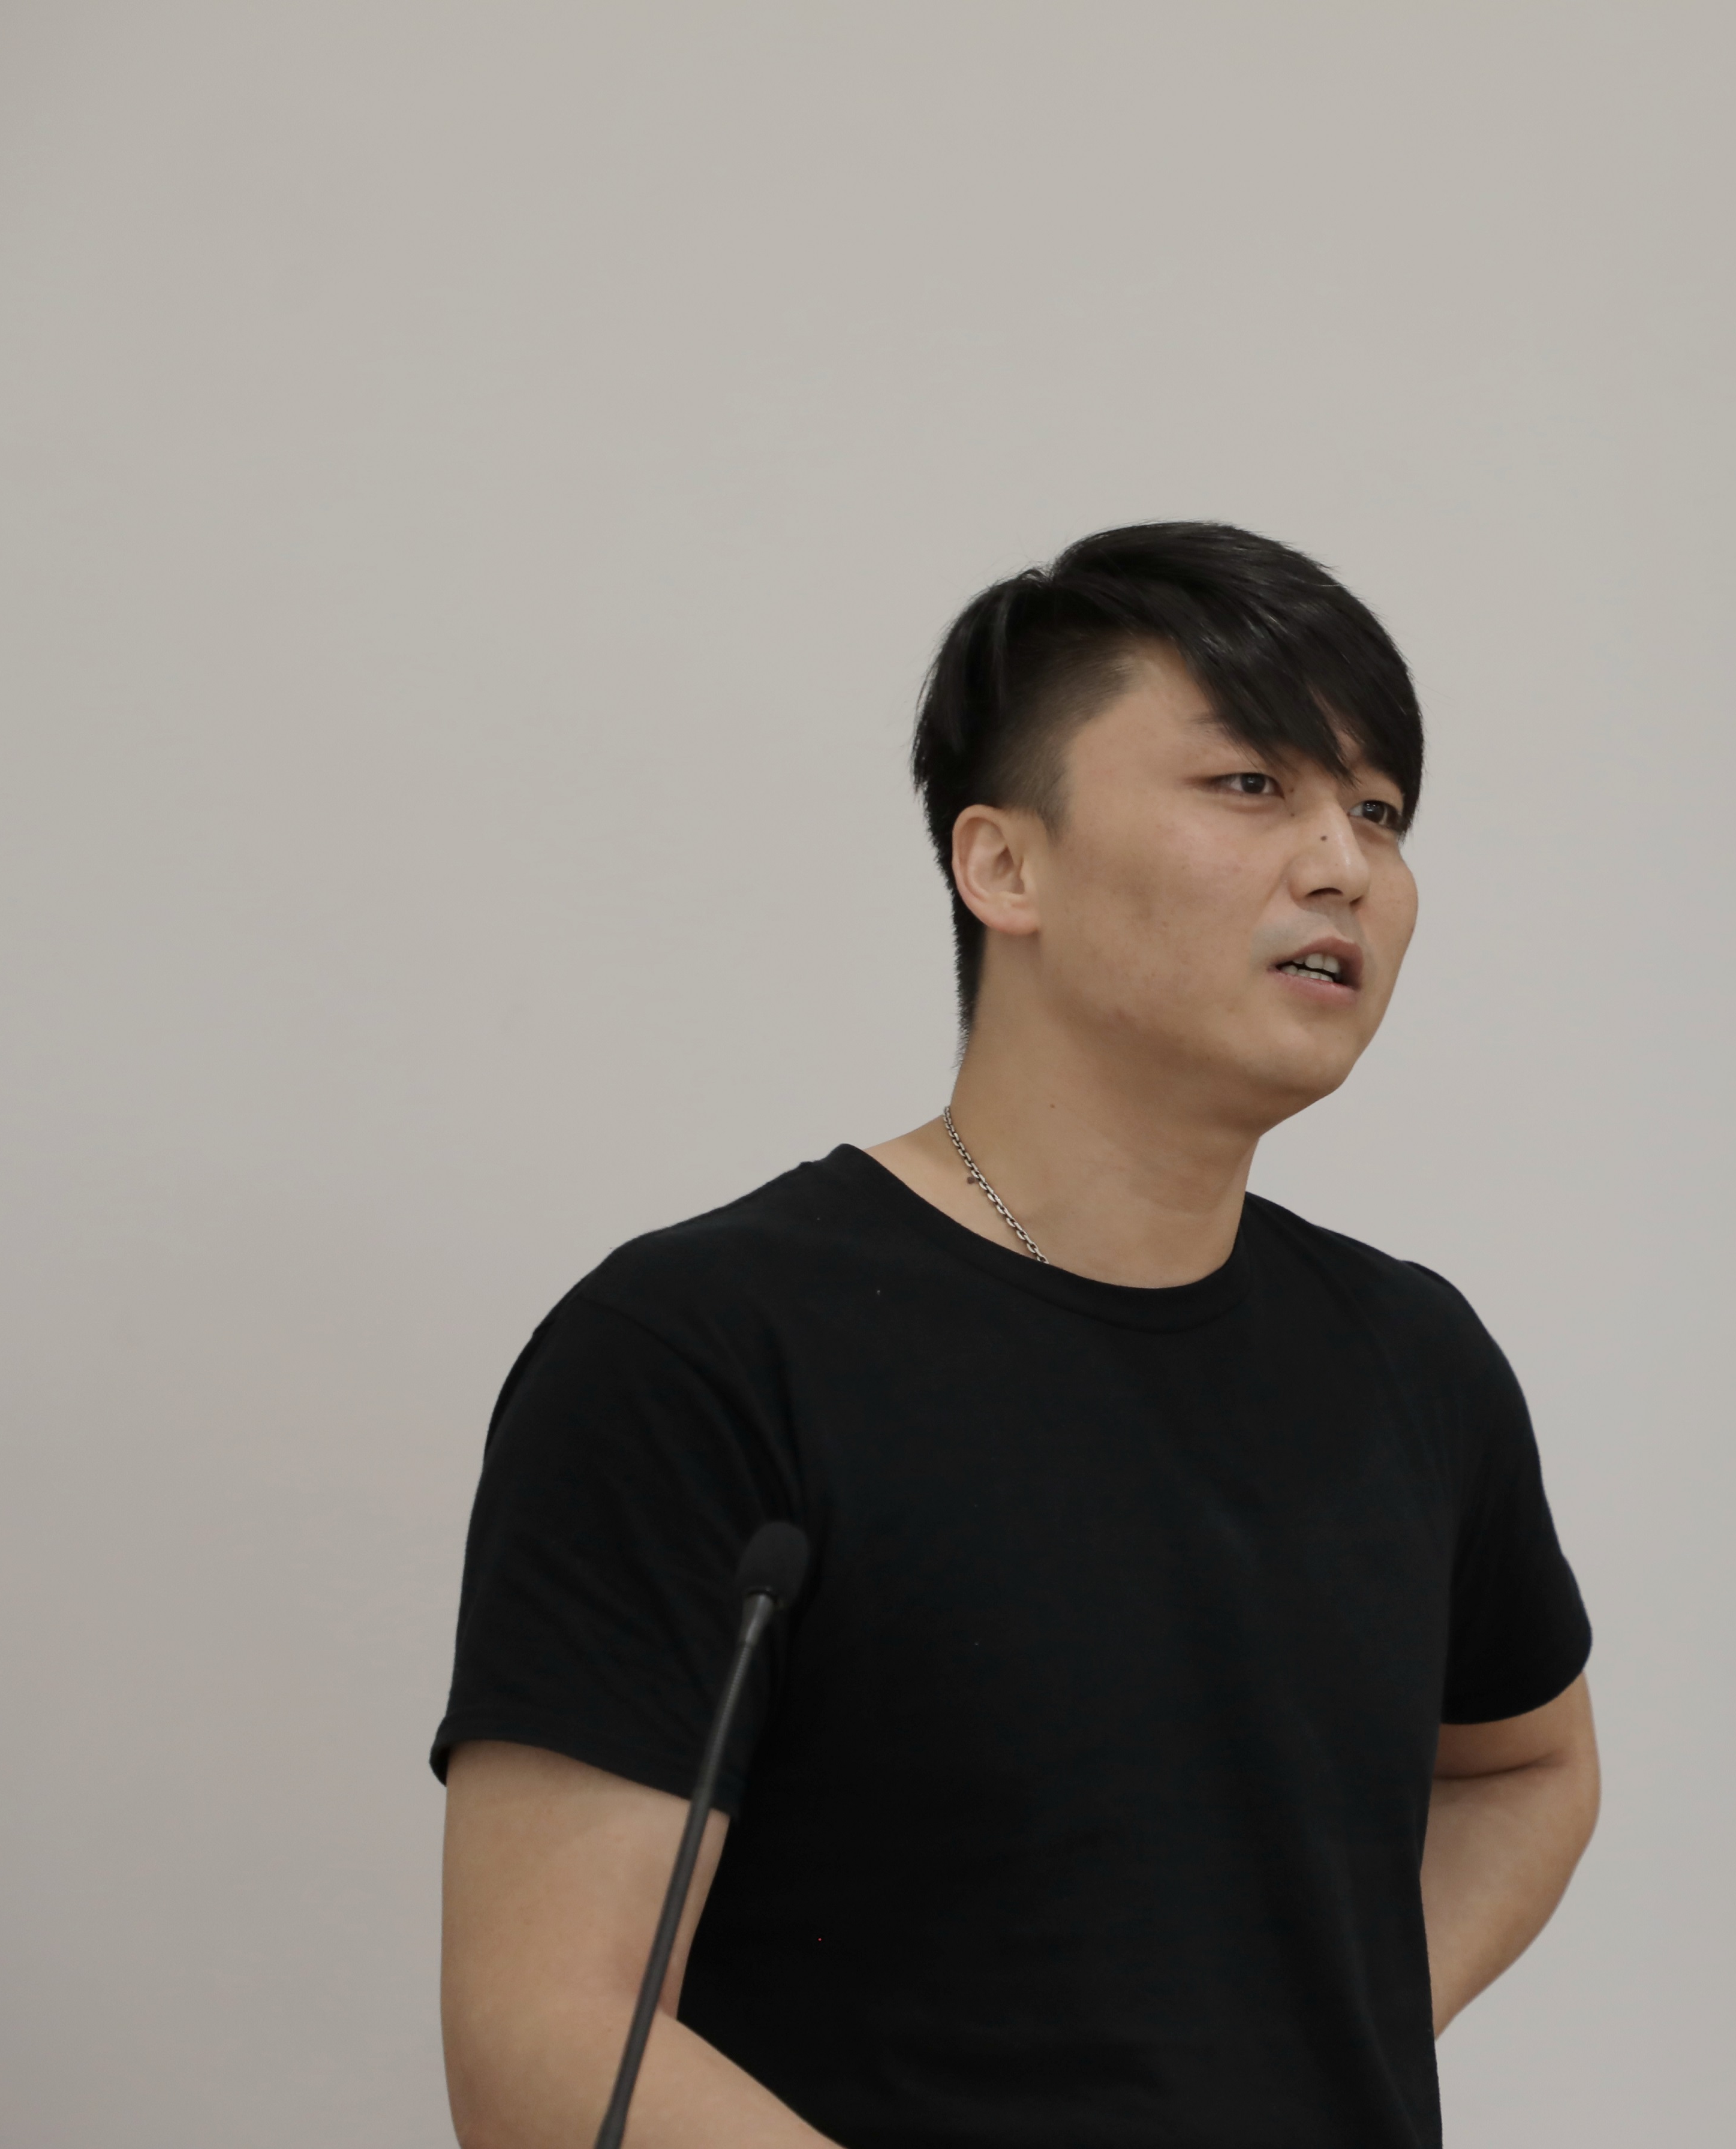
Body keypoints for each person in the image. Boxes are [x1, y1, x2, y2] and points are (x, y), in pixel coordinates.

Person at [432, 523, 1599, 2149]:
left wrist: (1297, 2064)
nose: (1344, 863)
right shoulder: (704, 1350)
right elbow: (547, 2043)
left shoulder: (1415, 1362)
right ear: (1004, 867)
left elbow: (1527, 1768)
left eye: (1381, 812)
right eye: (1251, 784)